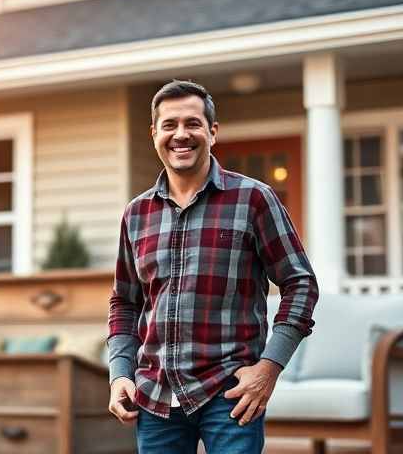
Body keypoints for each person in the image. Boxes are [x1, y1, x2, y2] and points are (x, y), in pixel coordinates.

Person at [107, 80, 319, 453]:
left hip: (231, 392)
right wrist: (119, 374)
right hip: (154, 396)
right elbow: (124, 303)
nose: (181, 135)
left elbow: (300, 283)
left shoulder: (253, 199)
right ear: (154, 133)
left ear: (212, 132)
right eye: (169, 125)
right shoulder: (136, 214)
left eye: (193, 123)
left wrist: (269, 368)